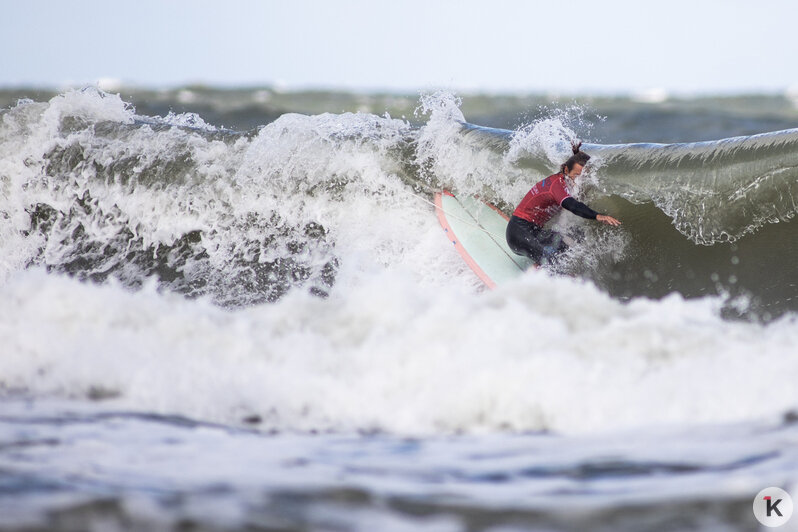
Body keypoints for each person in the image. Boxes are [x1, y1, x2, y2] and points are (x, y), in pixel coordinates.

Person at [506, 141, 621, 264]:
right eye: (576, 175)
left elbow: (575, 170)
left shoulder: (566, 179)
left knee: (569, 244)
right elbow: (572, 205)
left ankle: (541, 268)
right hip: (519, 233)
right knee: (553, 259)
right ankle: (539, 277)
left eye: (583, 175)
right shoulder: (557, 186)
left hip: (534, 231)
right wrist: (598, 216)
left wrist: (576, 154)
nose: (579, 179)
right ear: (566, 170)